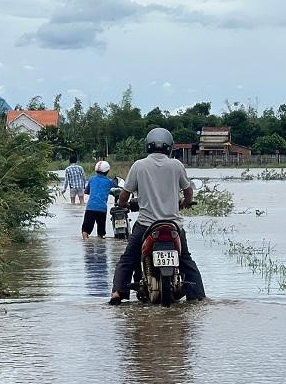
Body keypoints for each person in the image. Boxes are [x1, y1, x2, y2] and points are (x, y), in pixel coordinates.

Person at [109, 128, 206, 304]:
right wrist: (185, 202)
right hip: (173, 225)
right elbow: (188, 191)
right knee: (186, 261)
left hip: (146, 225)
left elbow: (124, 194)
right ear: (169, 147)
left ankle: (118, 293)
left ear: (148, 145)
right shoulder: (177, 165)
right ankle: (198, 297)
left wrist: (123, 205)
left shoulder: (139, 165)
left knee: (127, 259)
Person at [82, 161, 114, 239]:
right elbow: (116, 189)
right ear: (107, 171)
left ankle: (86, 243)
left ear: (96, 170)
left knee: (85, 231)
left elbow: (86, 191)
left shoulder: (91, 179)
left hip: (91, 207)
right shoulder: (109, 182)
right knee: (101, 233)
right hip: (102, 209)